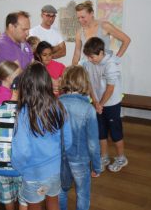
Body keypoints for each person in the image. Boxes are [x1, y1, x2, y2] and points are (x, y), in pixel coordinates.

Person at [11, 62, 70, 210]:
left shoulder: (24, 113)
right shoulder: (59, 106)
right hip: (55, 169)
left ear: (26, 86)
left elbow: (21, 150)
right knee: (53, 201)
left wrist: (19, 167)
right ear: (47, 82)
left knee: (34, 205)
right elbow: (67, 141)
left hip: (32, 173)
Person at [82, 37, 128, 172]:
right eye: (88, 57)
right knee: (100, 132)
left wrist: (100, 104)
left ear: (101, 52)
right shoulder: (88, 63)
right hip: (97, 103)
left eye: (92, 57)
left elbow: (110, 88)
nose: (90, 59)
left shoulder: (111, 64)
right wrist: (95, 102)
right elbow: (89, 83)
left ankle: (121, 158)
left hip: (112, 103)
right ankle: (104, 157)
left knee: (115, 133)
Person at [58, 65, 101, 210]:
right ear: (85, 83)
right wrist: (96, 165)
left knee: (61, 191)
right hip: (80, 160)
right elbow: (93, 143)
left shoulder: (56, 104)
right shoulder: (89, 109)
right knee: (83, 194)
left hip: (59, 158)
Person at [0, 60, 25, 210]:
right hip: (8, 149)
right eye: (17, 76)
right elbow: (7, 117)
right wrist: (16, 96)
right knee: (11, 189)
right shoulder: (4, 94)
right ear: (7, 78)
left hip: (6, 149)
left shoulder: (6, 92)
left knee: (9, 190)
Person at [72, 0, 131, 65]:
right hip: (88, 69)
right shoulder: (79, 33)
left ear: (91, 13)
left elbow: (126, 40)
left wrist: (115, 60)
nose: (80, 20)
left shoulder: (104, 26)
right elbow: (77, 54)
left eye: (83, 17)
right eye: (78, 18)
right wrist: (72, 72)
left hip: (105, 68)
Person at [0, 11, 33, 82]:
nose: (27, 33)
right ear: (11, 27)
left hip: (23, 89)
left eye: (28, 29)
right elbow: (18, 73)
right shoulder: (2, 44)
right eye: (24, 29)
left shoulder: (24, 43)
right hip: (7, 91)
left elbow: (33, 65)